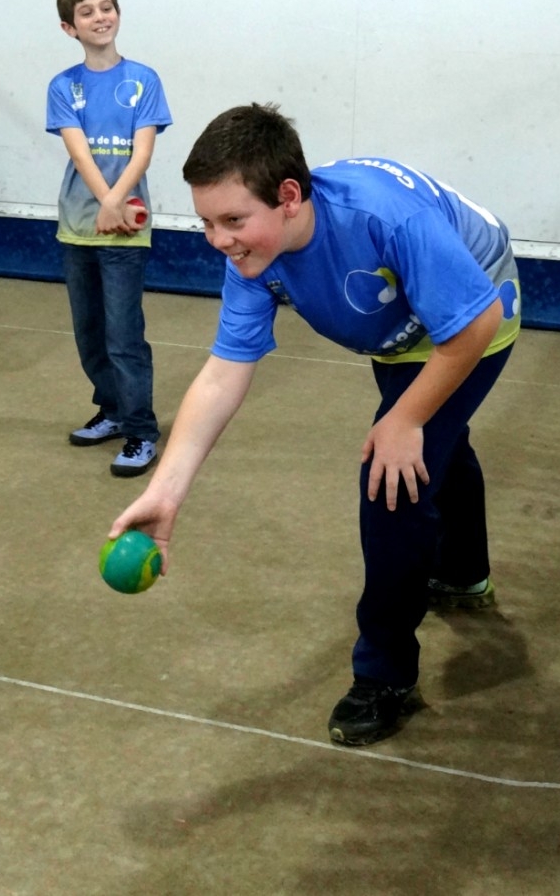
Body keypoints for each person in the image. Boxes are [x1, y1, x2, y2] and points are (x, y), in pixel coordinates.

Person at [109, 103, 521, 745]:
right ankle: (464, 572)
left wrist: (406, 416)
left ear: (290, 198)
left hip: (478, 309)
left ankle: (384, 675)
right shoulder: (253, 257)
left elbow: (473, 324)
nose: (219, 239)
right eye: (207, 222)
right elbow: (222, 374)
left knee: (393, 480)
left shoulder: (383, 220)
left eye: (233, 220)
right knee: (434, 442)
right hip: (401, 333)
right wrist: (165, 492)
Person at [46, 0, 172, 477]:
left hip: (125, 231)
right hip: (78, 226)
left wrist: (116, 203)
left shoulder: (144, 79)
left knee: (124, 335)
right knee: (90, 333)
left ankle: (141, 431)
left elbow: (142, 151)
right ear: (68, 27)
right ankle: (113, 410)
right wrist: (103, 201)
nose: (99, 17)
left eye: (106, 7)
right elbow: (77, 147)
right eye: (87, 13)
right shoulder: (63, 86)